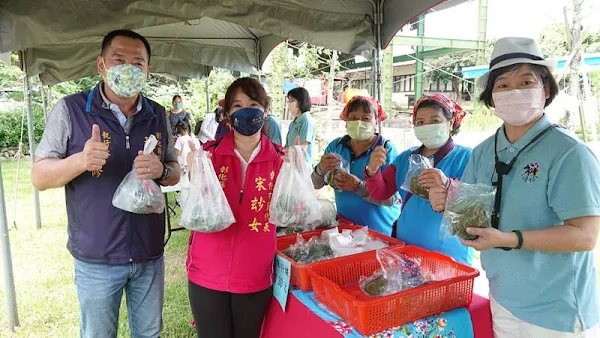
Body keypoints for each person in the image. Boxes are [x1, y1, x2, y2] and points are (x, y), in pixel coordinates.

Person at [428, 37, 600, 337]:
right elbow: (470, 213)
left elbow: (584, 236)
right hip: (503, 298)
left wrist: (509, 239)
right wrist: (446, 200)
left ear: (545, 90)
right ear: (492, 97)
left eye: (525, 81)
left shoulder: (569, 153)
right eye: (503, 85)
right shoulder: (483, 151)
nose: (514, 91)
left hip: (556, 310)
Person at [31, 29, 181, 338]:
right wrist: (80, 161)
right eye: (119, 60)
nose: (129, 68)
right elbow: (40, 176)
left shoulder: (158, 114)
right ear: (101, 65)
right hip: (97, 258)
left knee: (149, 333)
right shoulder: (71, 110)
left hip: (149, 254)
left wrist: (161, 170)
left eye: (138, 62)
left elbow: (175, 171)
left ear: (148, 70)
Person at [186, 77, 284, 338]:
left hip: (255, 273)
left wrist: (299, 171)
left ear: (265, 111)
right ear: (228, 115)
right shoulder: (208, 156)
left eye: (253, 104)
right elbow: (195, 206)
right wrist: (192, 171)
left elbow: (292, 211)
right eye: (237, 105)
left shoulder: (280, 160)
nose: (246, 111)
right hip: (207, 272)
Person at [365, 93, 473, 264]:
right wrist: (372, 170)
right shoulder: (405, 158)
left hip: (448, 258)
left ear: (450, 123)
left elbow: (478, 205)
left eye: (435, 120)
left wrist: (448, 185)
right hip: (407, 252)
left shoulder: (467, 157)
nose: (427, 126)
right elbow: (381, 192)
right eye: (421, 122)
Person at [312, 96, 400, 236]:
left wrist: (358, 187)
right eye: (353, 117)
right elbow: (315, 184)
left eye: (365, 118)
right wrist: (320, 169)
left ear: (375, 122)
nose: (358, 123)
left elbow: (392, 199)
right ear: (346, 122)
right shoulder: (336, 146)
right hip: (345, 230)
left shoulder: (384, 150)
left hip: (378, 233)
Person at [285, 87, 315, 169]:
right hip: (291, 165)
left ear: (300, 102)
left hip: (302, 167)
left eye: (292, 101)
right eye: (289, 101)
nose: (289, 104)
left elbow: (303, 147)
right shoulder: (293, 123)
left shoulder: (306, 121)